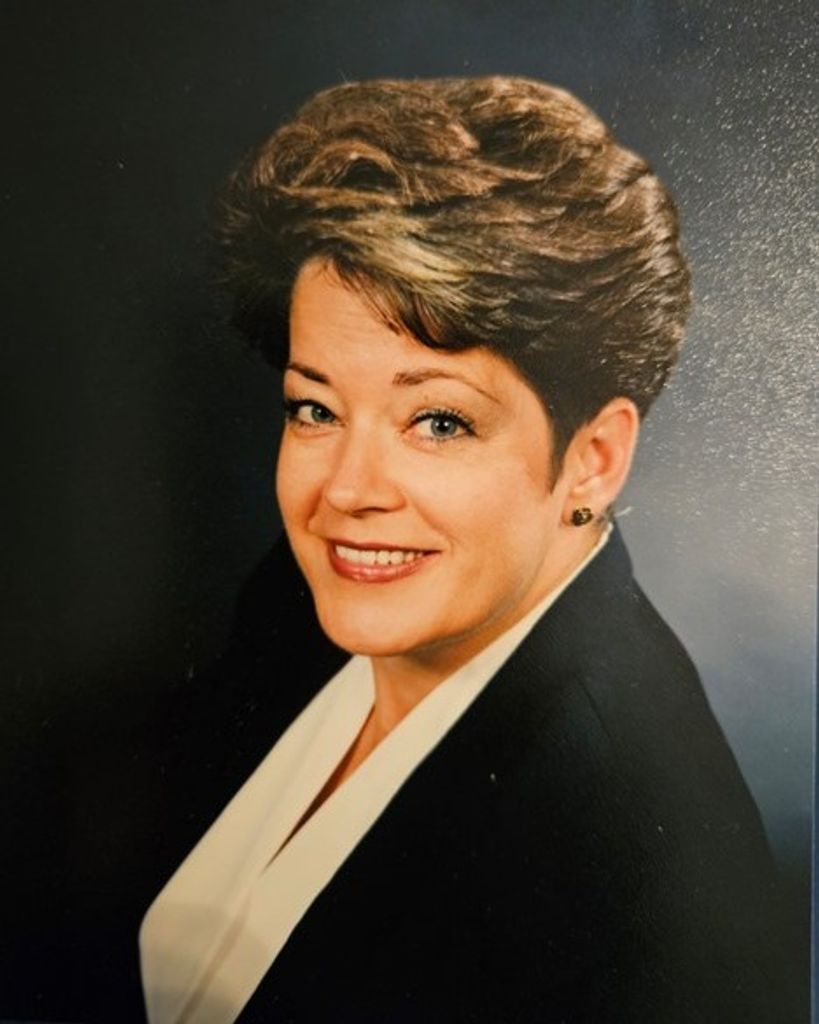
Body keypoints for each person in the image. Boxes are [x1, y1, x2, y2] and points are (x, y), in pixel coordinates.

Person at [139, 77, 803, 1023]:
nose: (347, 491)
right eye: (315, 409)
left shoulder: (637, 893)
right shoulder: (304, 601)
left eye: (438, 421)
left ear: (592, 458)